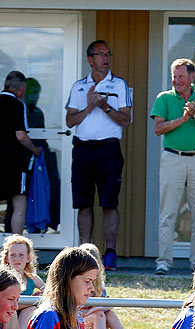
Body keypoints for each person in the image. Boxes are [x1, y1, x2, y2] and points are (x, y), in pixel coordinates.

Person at [65, 40, 132, 271]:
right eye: (100, 54)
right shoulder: (79, 86)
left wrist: (104, 106)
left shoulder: (119, 85)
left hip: (108, 149)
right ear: (90, 59)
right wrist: (90, 106)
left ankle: (110, 253)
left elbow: (126, 119)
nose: (105, 58)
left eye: (108, 53)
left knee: (109, 203)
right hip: (83, 148)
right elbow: (70, 120)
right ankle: (85, 253)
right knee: (83, 203)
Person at [151, 58, 195, 274]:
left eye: (181, 76)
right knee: (168, 212)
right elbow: (158, 128)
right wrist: (183, 118)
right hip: (173, 158)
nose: (176, 80)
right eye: (174, 76)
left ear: (191, 77)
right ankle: (164, 262)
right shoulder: (164, 98)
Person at [0, 71, 41, 259]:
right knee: (19, 203)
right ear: (20, 88)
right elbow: (20, 135)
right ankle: (17, 247)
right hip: (14, 162)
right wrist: (34, 149)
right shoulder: (17, 104)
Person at [78, 243, 148, 329]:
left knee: (109, 314)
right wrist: (97, 309)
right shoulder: (76, 282)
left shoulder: (99, 284)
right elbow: (73, 314)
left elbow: (107, 305)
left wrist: (99, 308)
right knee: (99, 314)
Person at [0, 234, 44, 329]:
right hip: (4, 318)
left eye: (21, 255)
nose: (16, 258)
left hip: (23, 322)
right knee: (11, 311)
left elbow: (49, 293)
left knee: (30, 310)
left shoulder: (32, 278)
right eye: (12, 255)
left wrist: (38, 298)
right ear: (7, 258)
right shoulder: (2, 277)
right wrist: (32, 301)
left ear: (28, 258)